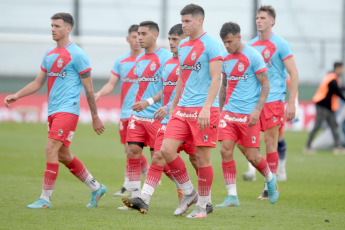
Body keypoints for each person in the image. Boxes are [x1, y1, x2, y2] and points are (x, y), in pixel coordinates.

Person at [4, 13, 106, 209]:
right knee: (63, 155)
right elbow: (37, 82)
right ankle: (96, 187)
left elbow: (89, 89)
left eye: (57, 26)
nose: (53, 29)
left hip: (68, 110)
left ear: (68, 29)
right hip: (53, 111)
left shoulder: (77, 54)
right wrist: (17, 95)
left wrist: (95, 116)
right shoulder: (49, 55)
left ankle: (45, 199)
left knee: (50, 148)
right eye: (51, 25)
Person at [122, 24, 202, 214]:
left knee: (196, 159)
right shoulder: (167, 64)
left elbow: (188, 90)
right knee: (158, 156)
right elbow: (165, 90)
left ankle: (202, 198)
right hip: (168, 119)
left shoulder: (188, 63)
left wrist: (168, 107)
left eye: (176, 39)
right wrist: (150, 102)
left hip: (187, 117)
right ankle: (142, 198)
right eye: (170, 39)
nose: (172, 43)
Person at [159, 4, 223, 218]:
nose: (183, 25)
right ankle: (189, 192)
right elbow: (181, 79)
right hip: (182, 109)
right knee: (166, 150)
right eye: (182, 21)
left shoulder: (212, 45)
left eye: (187, 21)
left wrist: (207, 107)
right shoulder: (184, 46)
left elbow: (217, 78)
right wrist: (173, 106)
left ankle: (203, 206)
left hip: (204, 111)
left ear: (199, 21)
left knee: (202, 159)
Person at [216, 22, 278, 207]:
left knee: (252, 156)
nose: (227, 45)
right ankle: (232, 196)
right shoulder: (225, 58)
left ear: (238, 37)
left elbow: (266, 85)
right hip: (228, 113)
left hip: (248, 115)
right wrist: (221, 111)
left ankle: (270, 179)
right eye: (224, 42)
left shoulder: (253, 56)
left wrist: (257, 110)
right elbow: (224, 85)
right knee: (225, 150)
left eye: (229, 41)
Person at [245, 5, 299, 200]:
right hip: (253, 102)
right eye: (257, 17)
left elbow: (293, 73)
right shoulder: (250, 45)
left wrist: (291, 102)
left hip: (274, 100)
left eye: (263, 18)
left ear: (272, 21)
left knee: (270, 143)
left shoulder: (281, 44)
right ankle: (262, 176)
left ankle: (270, 186)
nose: (259, 20)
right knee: (248, 146)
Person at [94, 25, 150, 200]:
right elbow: (111, 84)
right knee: (129, 150)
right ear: (128, 39)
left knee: (133, 149)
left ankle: (139, 181)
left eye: (139, 36)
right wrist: (99, 94)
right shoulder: (121, 61)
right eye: (134, 36)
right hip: (125, 113)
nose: (137, 40)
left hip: (143, 112)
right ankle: (137, 181)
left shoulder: (148, 60)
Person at [124, 21, 172, 200]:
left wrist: (148, 102)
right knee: (132, 152)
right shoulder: (139, 59)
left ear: (154, 35)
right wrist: (138, 105)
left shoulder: (166, 58)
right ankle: (135, 196)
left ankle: (184, 187)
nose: (139, 38)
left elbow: (168, 88)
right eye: (138, 34)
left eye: (143, 34)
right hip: (138, 116)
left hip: (156, 117)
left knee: (159, 160)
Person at [305, 62, 345, 154]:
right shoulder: (332, 78)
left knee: (334, 126)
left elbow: (338, 89)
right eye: (341, 68)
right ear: (337, 68)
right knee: (317, 126)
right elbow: (337, 91)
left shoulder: (332, 77)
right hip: (323, 106)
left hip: (329, 107)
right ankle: (308, 147)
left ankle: (337, 147)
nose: (342, 70)